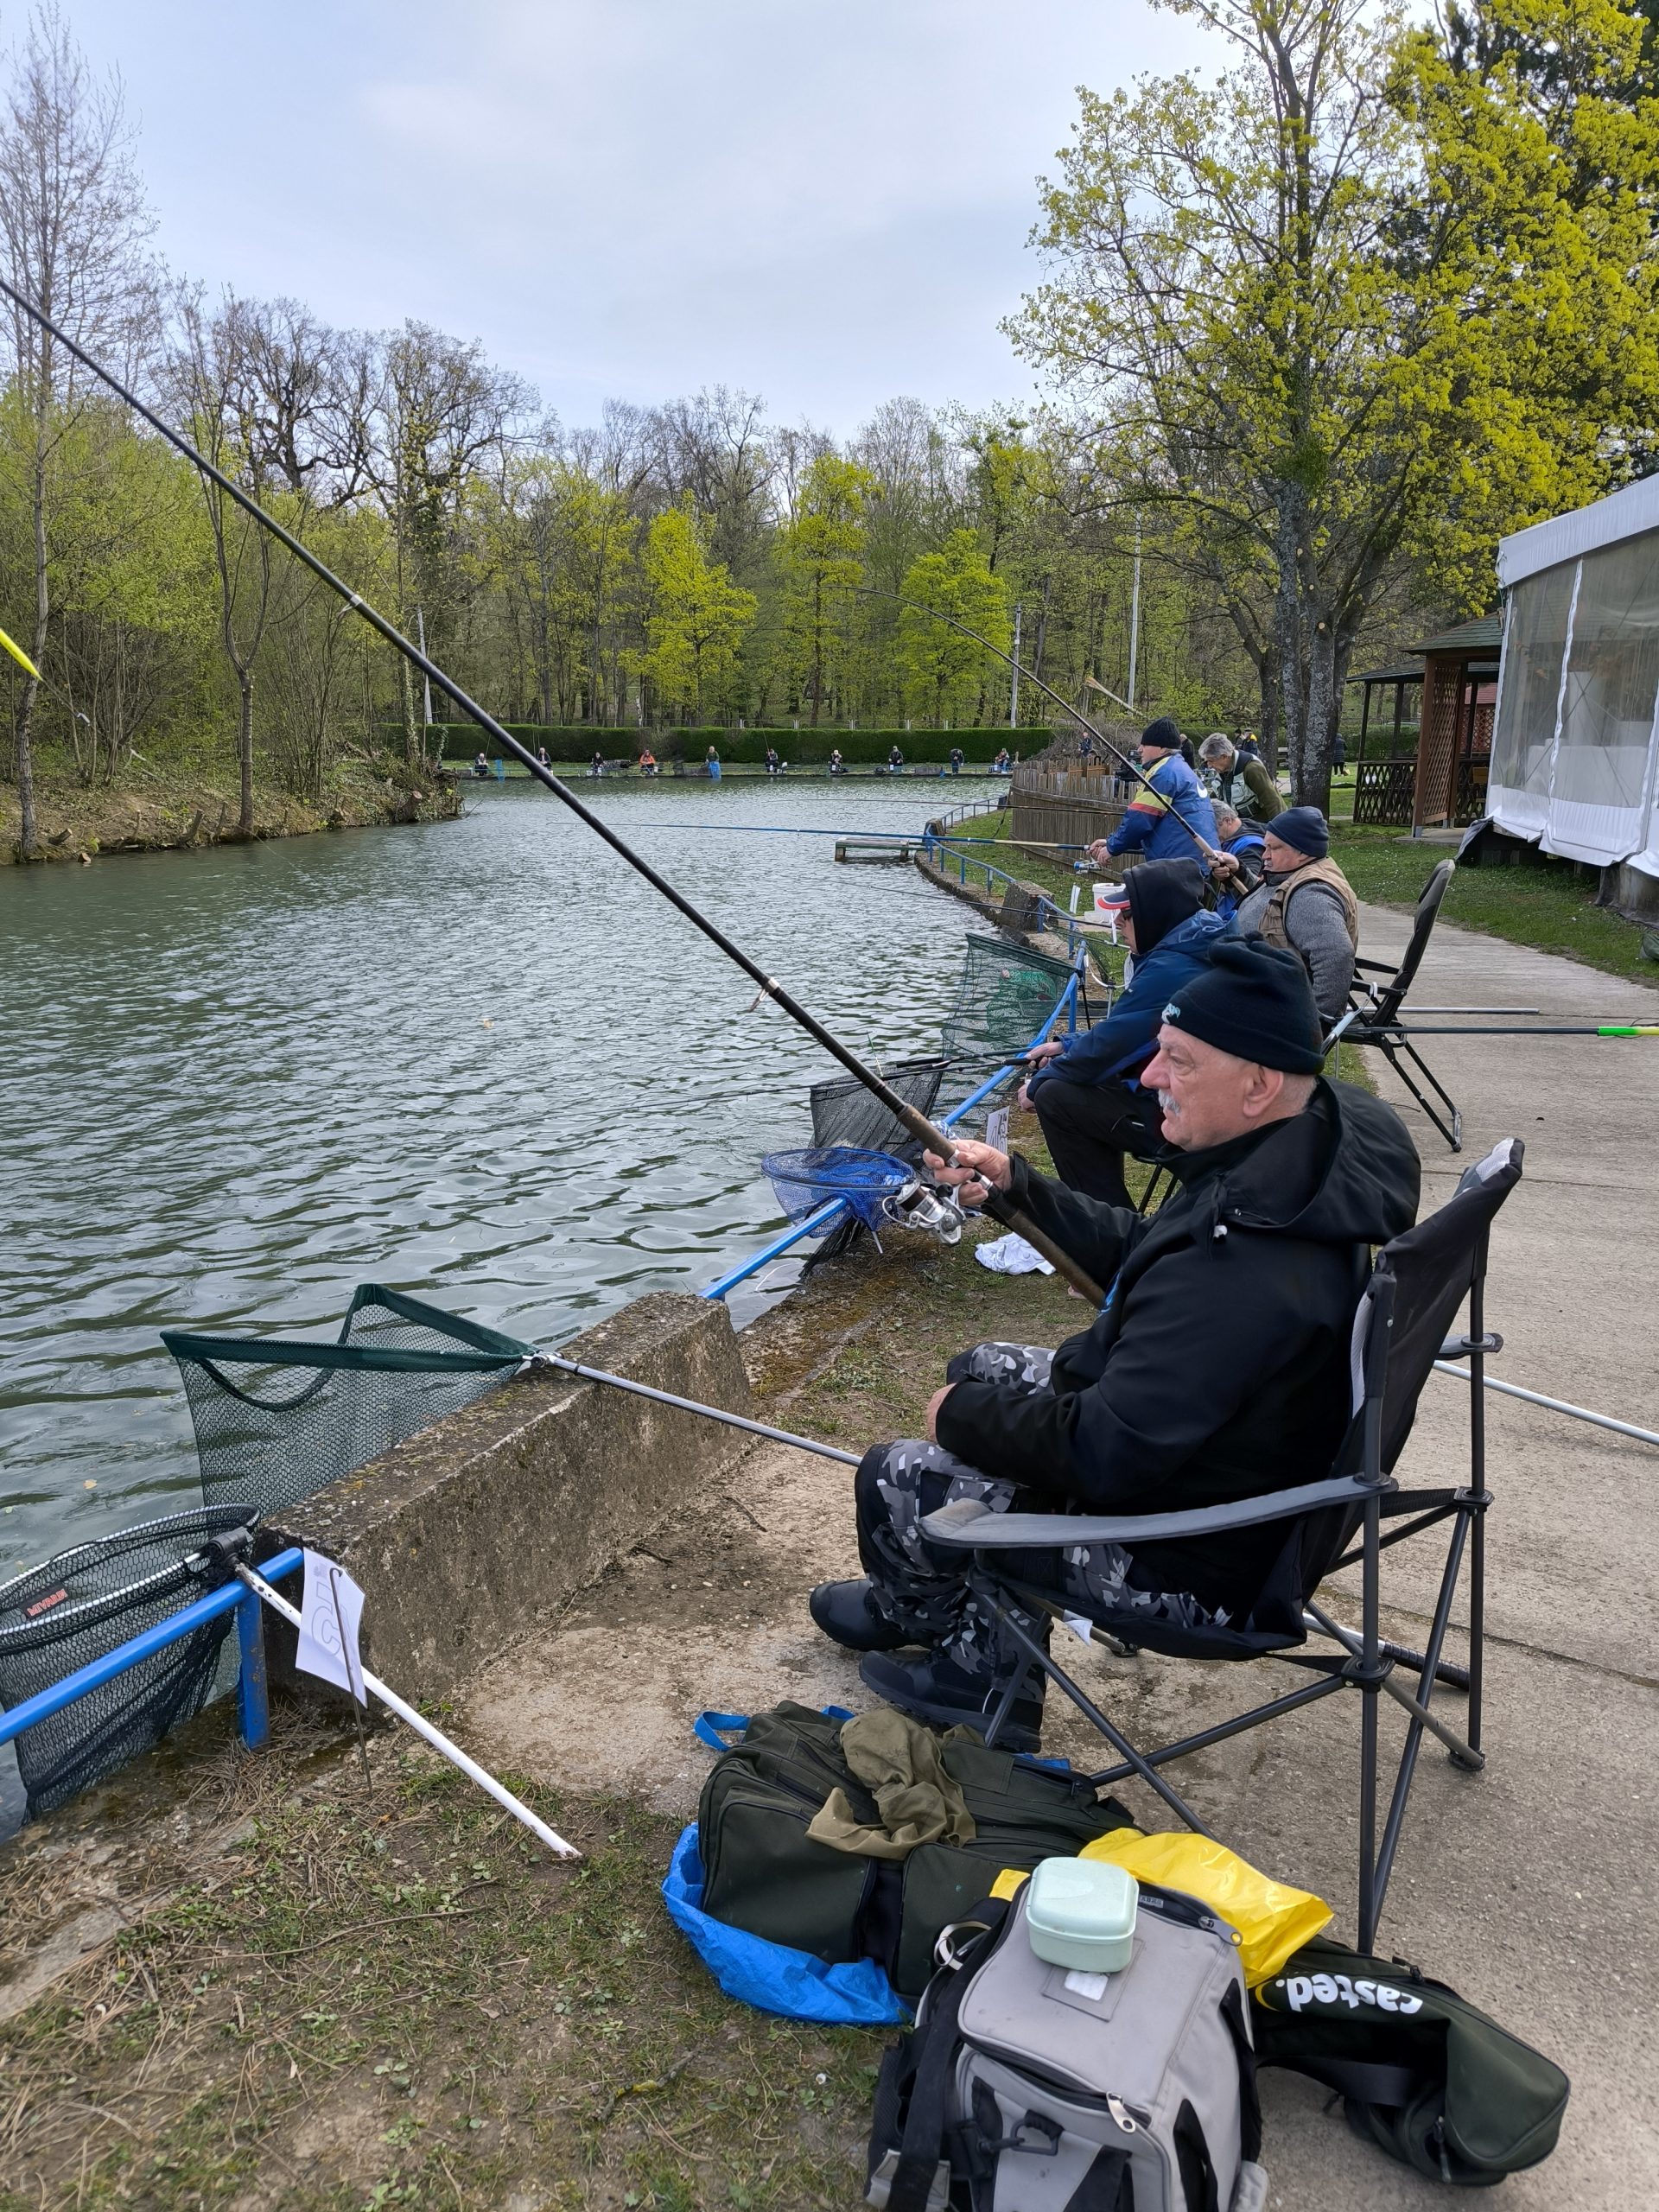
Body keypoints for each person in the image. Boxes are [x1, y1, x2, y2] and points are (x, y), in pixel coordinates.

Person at [806, 939, 1421, 1745]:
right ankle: (932, 1601)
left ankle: (970, 1668)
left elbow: (1103, 1453)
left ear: (1258, 1084)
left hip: (1189, 1561)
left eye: (1178, 1061)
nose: (1151, 1076)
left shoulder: (1244, 1261)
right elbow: (1151, 1248)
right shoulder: (1291, 1165)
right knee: (983, 1365)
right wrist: (1018, 1187)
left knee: (902, 1472)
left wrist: (956, 1415)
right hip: (1234, 1471)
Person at [1022, 860, 1233, 1204]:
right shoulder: (1191, 943)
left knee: (1054, 1097)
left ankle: (1105, 1223)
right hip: (1201, 1097)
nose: (1118, 921)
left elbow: (1112, 1045)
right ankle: (1108, 1214)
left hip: (1192, 1118)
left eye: (1127, 913)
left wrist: (1037, 1084)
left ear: (1156, 915)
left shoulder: (1172, 968)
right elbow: (1128, 1029)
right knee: (1075, 1080)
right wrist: (1066, 1046)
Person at [1210, 806, 1357, 1024]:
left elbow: (1336, 956)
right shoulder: (1290, 874)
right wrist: (1238, 871)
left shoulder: (1311, 894)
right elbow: (1271, 903)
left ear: (1302, 852)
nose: (1265, 855)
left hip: (1270, 1006)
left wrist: (1315, 1023)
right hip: (1251, 989)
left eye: (1273, 848)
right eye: (1266, 846)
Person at [1090, 717, 1217, 868]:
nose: (1139, 749)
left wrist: (1112, 848)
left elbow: (1140, 820)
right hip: (1199, 862)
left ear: (1162, 749)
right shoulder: (1180, 769)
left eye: (1145, 744)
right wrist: (1111, 841)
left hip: (1182, 866)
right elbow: (1157, 826)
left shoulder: (1164, 774)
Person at [1198, 734, 1281, 823]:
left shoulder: (1251, 769)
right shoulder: (1222, 770)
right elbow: (1217, 795)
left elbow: (1273, 802)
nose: (1209, 766)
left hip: (1261, 825)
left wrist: (1276, 829)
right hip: (1241, 825)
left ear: (1224, 757)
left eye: (1210, 761)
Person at [1210, 802, 1266, 919]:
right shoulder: (1243, 828)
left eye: (1214, 829)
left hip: (1241, 917)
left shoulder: (1250, 846)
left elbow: (1252, 888)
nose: (1212, 836)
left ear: (1227, 821)